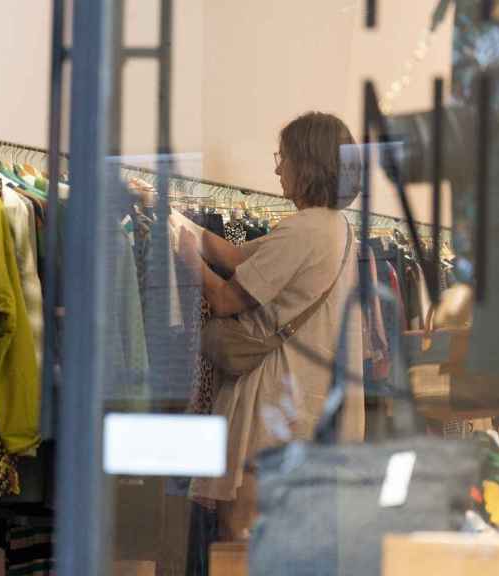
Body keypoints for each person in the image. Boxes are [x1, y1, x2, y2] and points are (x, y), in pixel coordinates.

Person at [176, 111, 366, 540]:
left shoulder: (305, 230)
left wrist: (188, 259)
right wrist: (189, 228)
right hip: (308, 410)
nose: (278, 167)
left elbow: (226, 300)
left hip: (275, 410)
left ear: (308, 163)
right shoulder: (335, 228)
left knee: (242, 542)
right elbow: (240, 257)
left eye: (284, 157)